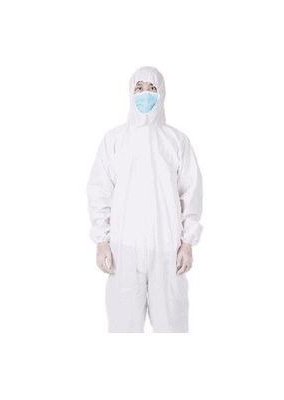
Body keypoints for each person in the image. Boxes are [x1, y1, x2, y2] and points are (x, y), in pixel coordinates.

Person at [87, 66, 203, 333]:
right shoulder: (114, 140)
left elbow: (191, 192)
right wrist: (102, 241)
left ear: (162, 93)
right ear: (130, 92)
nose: (145, 94)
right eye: (139, 88)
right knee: (123, 327)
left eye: (152, 88)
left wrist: (187, 243)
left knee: (172, 327)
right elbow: (99, 191)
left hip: (168, 248)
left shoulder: (176, 141)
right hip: (124, 249)